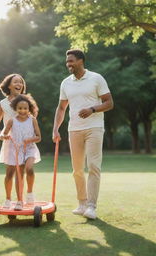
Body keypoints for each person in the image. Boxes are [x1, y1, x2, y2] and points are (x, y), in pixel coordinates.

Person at [52, 49, 114, 219]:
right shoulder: (66, 83)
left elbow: (109, 102)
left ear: (81, 61)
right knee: (77, 169)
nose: (68, 64)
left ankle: (92, 206)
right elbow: (62, 107)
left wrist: (92, 109)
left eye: (71, 61)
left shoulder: (96, 78)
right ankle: (82, 203)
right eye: (67, 62)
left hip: (94, 127)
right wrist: (56, 128)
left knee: (93, 166)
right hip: (74, 129)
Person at [0, 74, 36, 208]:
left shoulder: (26, 101)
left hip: (24, 142)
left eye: (21, 82)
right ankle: (8, 199)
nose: (19, 84)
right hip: (10, 141)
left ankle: (20, 200)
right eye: (16, 82)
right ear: (8, 85)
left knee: (21, 172)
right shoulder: (2, 104)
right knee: (9, 173)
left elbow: (32, 118)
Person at [0, 94, 41, 210]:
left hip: (29, 148)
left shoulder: (32, 120)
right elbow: (4, 134)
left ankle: (29, 192)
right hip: (15, 149)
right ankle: (17, 200)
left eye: (25, 108)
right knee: (15, 175)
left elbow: (39, 137)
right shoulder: (11, 121)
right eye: (20, 108)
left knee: (29, 169)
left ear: (29, 109)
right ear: (15, 109)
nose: (23, 111)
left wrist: (30, 140)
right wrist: (4, 136)